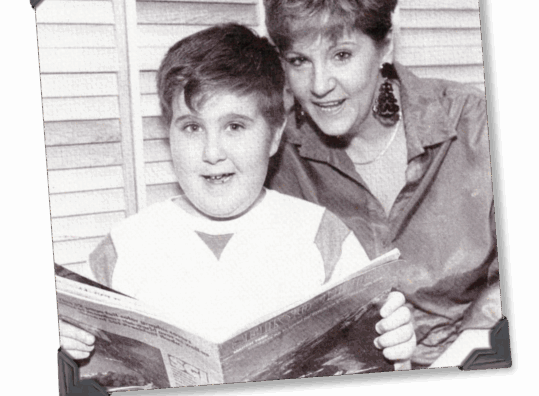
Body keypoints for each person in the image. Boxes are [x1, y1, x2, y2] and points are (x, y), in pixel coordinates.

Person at [58, 22, 416, 375]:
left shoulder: (323, 237)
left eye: (235, 126)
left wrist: (395, 353)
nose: (212, 152)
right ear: (169, 135)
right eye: (192, 127)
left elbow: (371, 357)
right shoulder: (124, 247)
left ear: (274, 137)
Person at [263, 0, 502, 369]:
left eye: (341, 55)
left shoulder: (472, 124)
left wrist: (469, 350)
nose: (319, 85)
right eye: (299, 61)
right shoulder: (276, 156)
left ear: (385, 47)